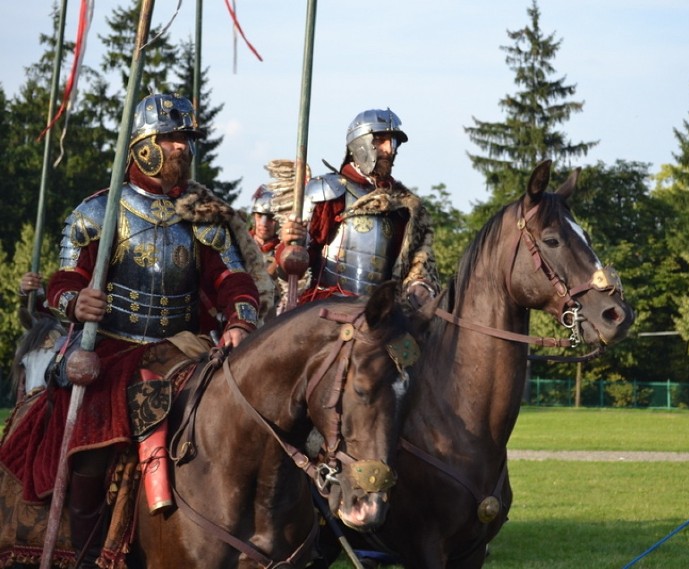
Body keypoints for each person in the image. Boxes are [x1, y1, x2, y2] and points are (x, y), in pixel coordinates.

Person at [0, 93, 265, 568]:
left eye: (186, 139)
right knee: (90, 438)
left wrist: (241, 318)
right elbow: (64, 282)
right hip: (112, 348)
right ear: (144, 145)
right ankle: (85, 553)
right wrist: (76, 301)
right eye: (173, 137)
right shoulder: (99, 212)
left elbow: (230, 278)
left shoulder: (201, 215)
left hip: (182, 347)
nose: (183, 148)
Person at [278, 108, 438, 310]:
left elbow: (419, 263)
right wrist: (290, 245)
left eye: (393, 142)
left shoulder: (404, 206)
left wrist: (420, 284)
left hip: (381, 314)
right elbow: (291, 266)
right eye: (380, 140)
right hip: (326, 307)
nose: (389, 149)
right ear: (360, 144)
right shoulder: (328, 191)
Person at [248, 184, 281, 315]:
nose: (263, 223)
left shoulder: (283, 250)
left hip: (274, 317)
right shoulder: (238, 245)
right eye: (259, 215)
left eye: (270, 217)